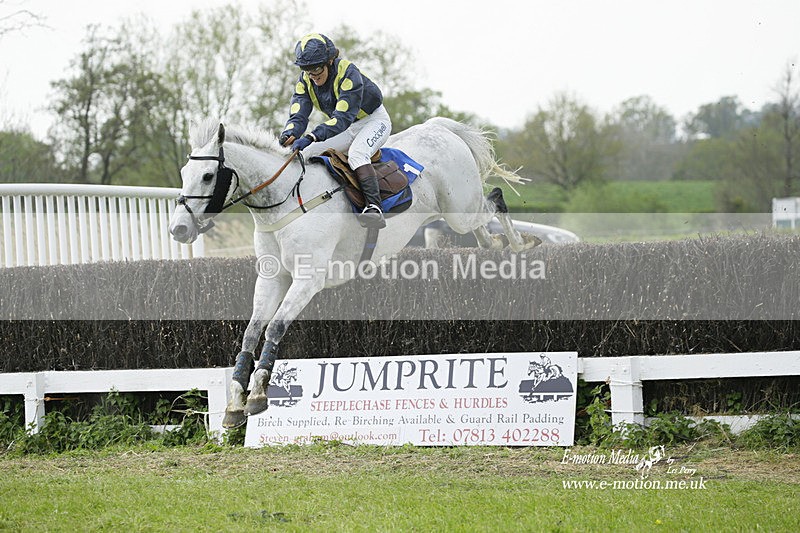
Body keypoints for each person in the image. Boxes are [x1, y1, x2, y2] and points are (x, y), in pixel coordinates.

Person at [278, 33, 391, 229]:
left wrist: (312, 136)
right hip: (346, 126)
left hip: (373, 120)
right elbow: (299, 113)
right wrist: (290, 133)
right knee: (306, 152)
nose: (313, 76)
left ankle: (374, 207)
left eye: (316, 68)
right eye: (307, 70)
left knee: (357, 154)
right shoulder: (306, 80)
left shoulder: (348, 72)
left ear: (330, 60)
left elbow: (342, 118)